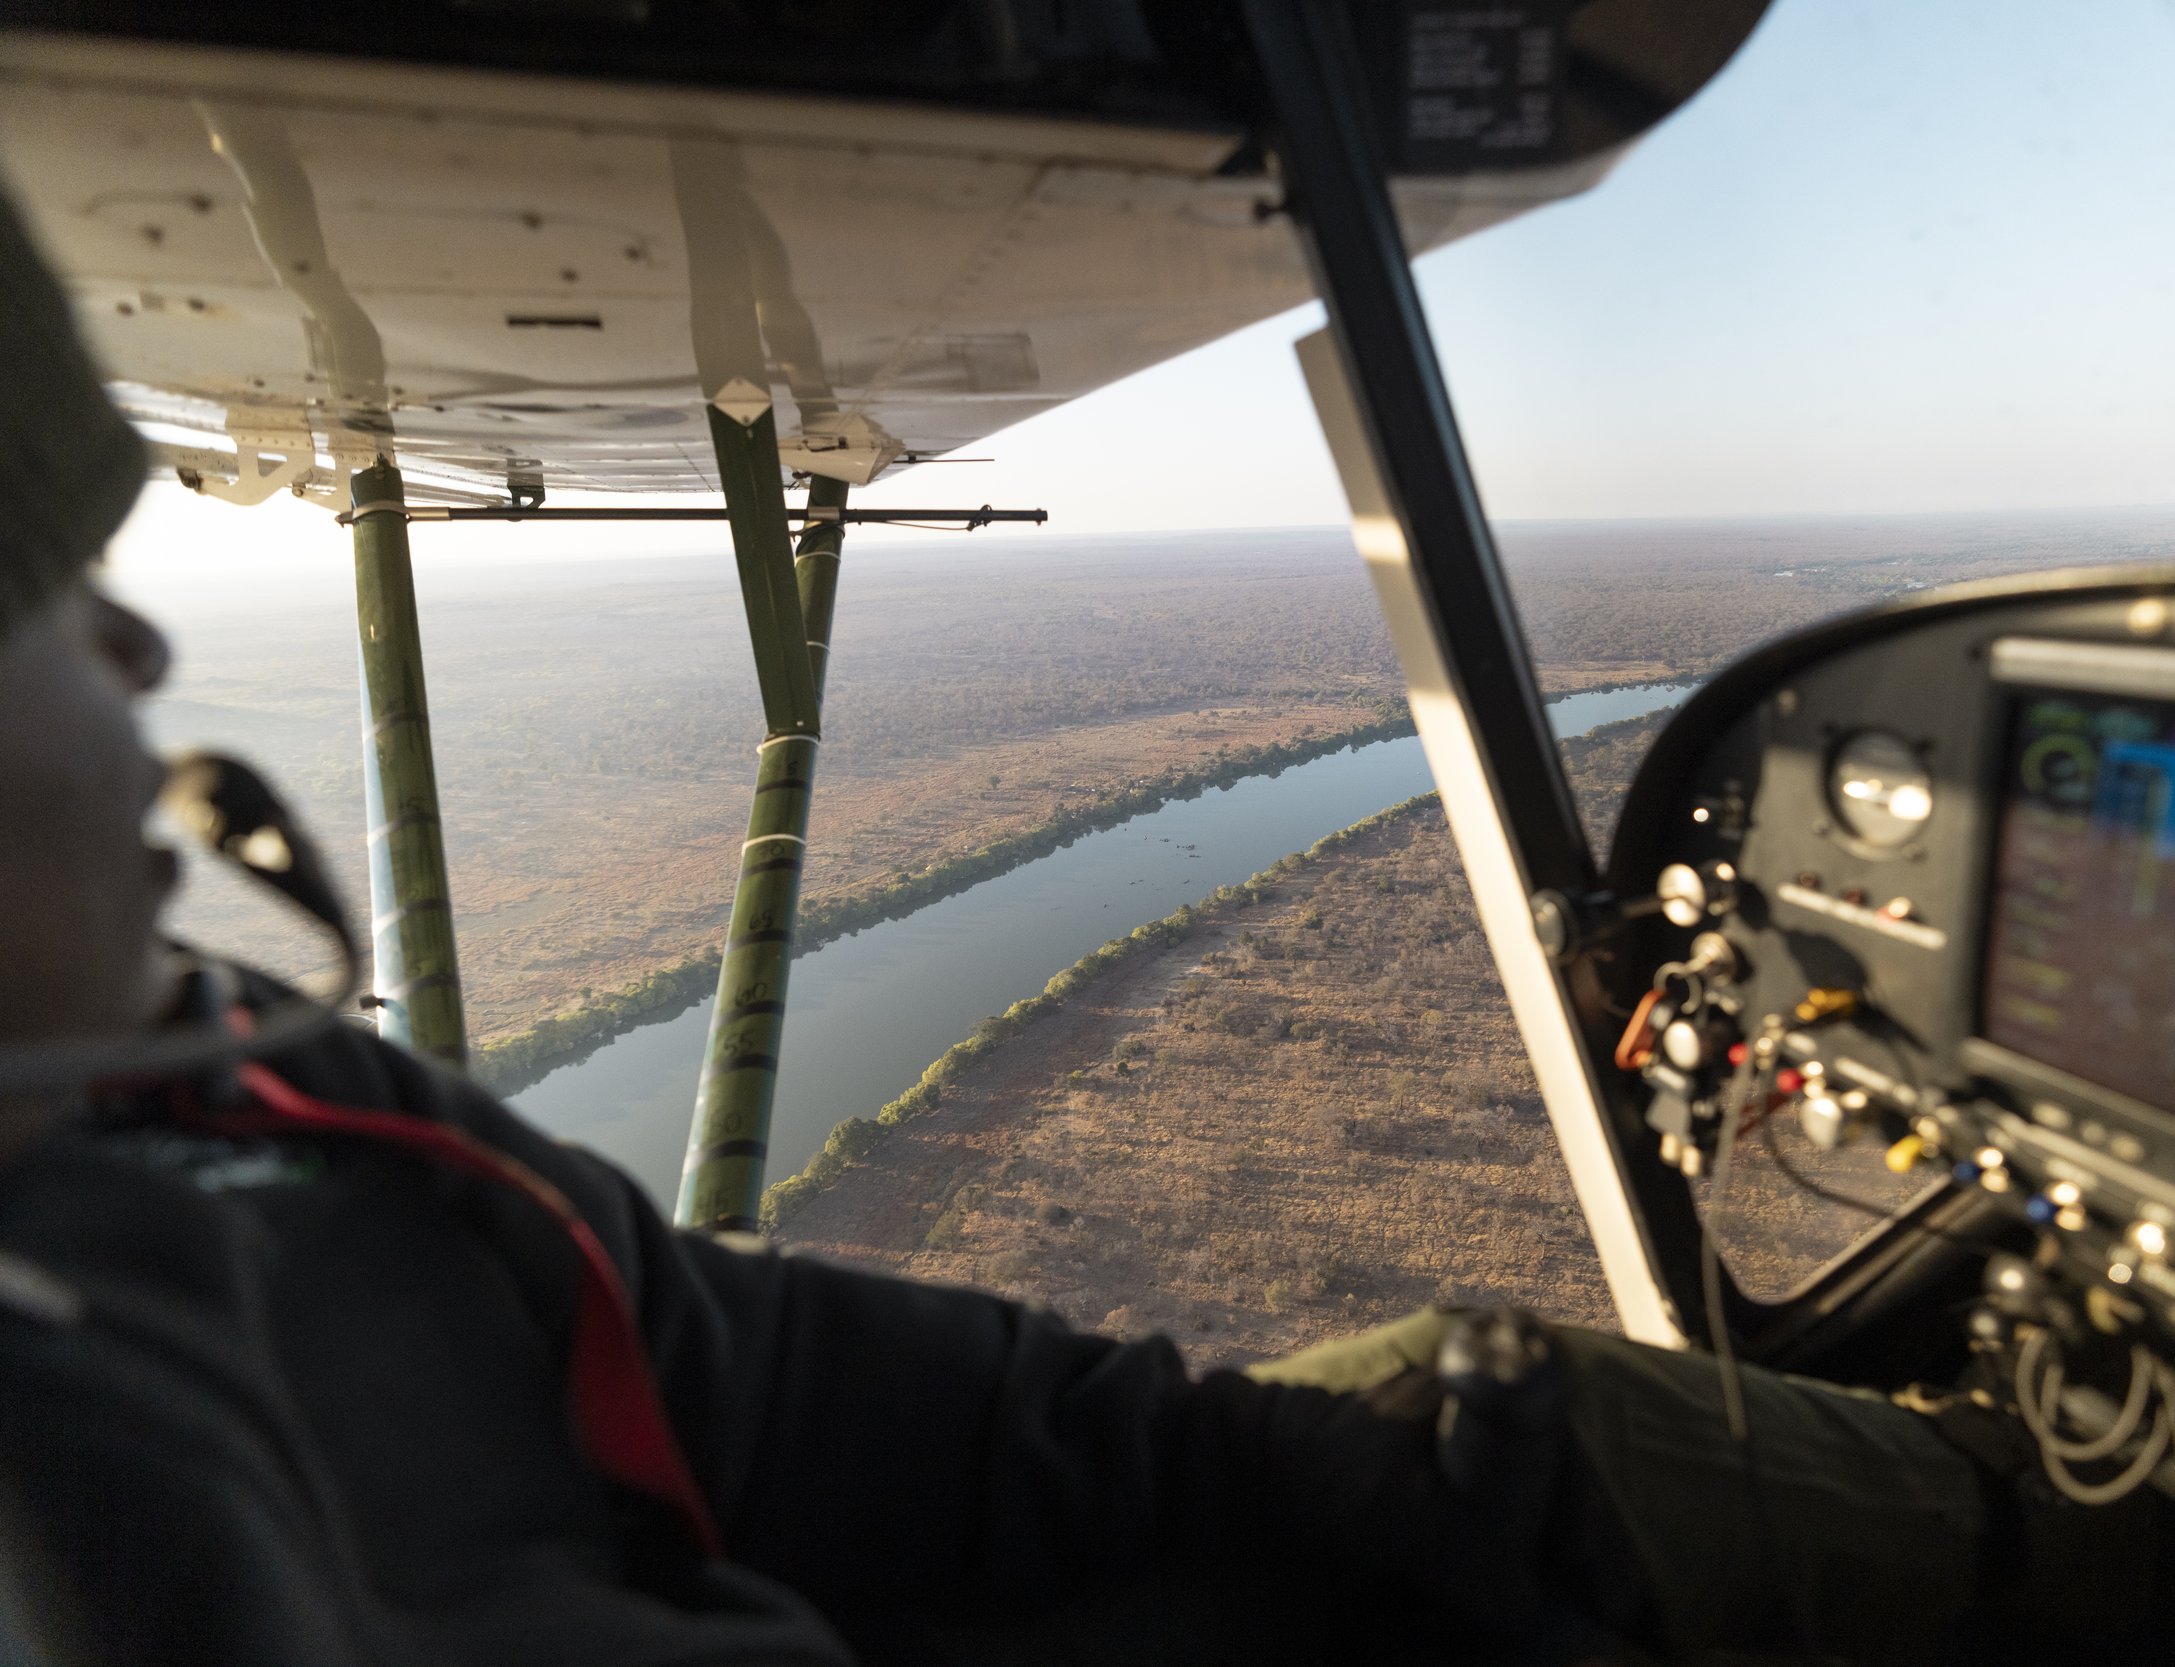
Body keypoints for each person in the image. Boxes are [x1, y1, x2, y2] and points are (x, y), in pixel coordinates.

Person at [0, 188, 2045, 1667]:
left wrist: (1280, 1465)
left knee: (1508, 1429)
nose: (140, 647)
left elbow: (777, 1388)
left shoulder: (287, 1111)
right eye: (47, 598)